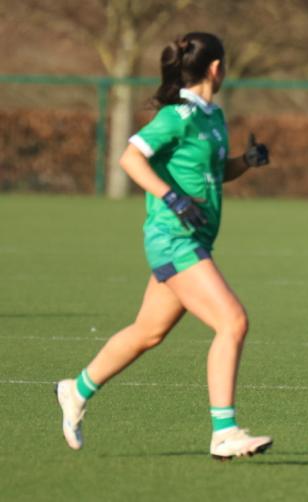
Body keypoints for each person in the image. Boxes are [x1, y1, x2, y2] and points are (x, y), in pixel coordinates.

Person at [55, 32, 274, 459]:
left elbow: (213, 175)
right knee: (233, 322)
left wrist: (245, 163)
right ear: (216, 68)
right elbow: (129, 158)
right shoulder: (176, 117)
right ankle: (224, 432)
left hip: (196, 239)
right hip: (173, 238)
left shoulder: (213, 117)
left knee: (148, 332)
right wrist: (171, 197)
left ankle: (75, 389)